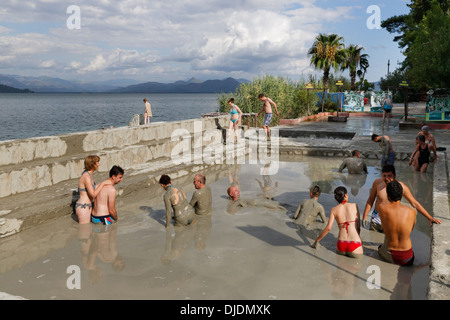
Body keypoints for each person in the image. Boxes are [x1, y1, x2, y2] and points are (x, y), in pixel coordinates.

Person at [362, 165, 441, 233]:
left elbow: (414, 203)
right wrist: (365, 215)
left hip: (391, 220)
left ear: (394, 176)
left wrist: (429, 217)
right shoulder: (377, 183)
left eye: (389, 176)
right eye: (384, 176)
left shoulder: (400, 187)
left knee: (389, 245)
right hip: (376, 219)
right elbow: (371, 199)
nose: (386, 178)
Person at [312, 187, 363, 259]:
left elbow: (328, 228)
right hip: (355, 245)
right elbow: (358, 227)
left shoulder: (334, 209)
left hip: (341, 245)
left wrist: (317, 241)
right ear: (346, 195)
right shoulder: (354, 205)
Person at [377, 180, 416, 266]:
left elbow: (384, 227)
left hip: (390, 255)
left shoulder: (382, 208)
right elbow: (411, 228)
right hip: (408, 257)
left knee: (380, 247)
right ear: (401, 195)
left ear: (387, 195)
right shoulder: (412, 211)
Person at [75, 155, 111, 224]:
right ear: (92, 164)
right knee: (84, 231)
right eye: (97, 163)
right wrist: (103, 184)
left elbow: (92, 188)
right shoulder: (86, 177)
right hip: (83, 207)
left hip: (88, 206)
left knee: (87, 231)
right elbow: (93, 194)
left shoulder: (89, 174)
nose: (98, 164)